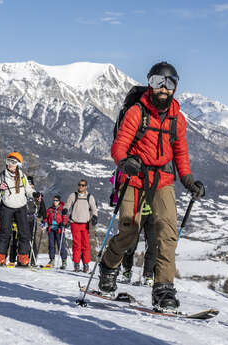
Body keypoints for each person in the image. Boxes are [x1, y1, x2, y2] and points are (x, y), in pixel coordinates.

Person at [99, 61, 204, 312]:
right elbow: (119, 145)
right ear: (150, 83)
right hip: (134, 178)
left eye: (170, 83)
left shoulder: (177, 119)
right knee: (130, 230)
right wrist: (124, 163)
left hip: (163, 180)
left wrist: (188, 179)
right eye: (158, 82)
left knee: (166, 233)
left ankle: (163, 288)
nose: (163, 89)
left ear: (175, 87)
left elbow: (180, 152)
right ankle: (108, 267)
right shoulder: (137, 112)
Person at [0, 152, 37, 267]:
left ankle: (22, 256)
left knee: (24, 232)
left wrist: (35, 194)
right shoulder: (1, 177)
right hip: (7, 207)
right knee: (5, 232)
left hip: (21, 207)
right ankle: (1, 256)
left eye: (13, 162)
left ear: (18, 165)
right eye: (8, 161)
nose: (10, 165)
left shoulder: (22, 176)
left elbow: (28, 191)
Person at [64, 179, 98, 273]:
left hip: (85, 224)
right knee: (76, 245)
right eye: (79, 185)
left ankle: (86, 264)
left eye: (83, 185)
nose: (81, 187)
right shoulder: (73, 195)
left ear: (86, 186)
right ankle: (76, 263)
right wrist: (65, 210)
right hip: (74, 223)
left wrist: (95, 216)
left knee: (86, 245)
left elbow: (94, 208)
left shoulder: (89, 197)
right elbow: (67, 205)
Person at [120, 215, 156, 286]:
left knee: (153, 245)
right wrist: (114, 203)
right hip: (137, 212)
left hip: (154, 212)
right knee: (131, 243)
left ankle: (148, 275)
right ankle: (127, 271)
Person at [43, 195, 69, 269]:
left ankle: (64, 261)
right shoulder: (50, 209)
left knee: (61, 245)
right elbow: (46, 217)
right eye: (54, 200)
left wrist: (63, 223)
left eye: (56, 200)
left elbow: (65, 218)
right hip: (51, 229)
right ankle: (52, 260)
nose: (55, 202)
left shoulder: (62, 209)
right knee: (51, 245)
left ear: (59, 201)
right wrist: (44, 221)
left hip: (59, 229)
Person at [26, 176, 46, 266]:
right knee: (22, 239)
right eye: (28, 184)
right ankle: (22, 258)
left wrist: (43, 219)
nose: (30, 186)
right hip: (22, 218)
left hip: (32, 219)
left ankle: (32, 259)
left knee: (31, 239)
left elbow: (43, 208)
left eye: (31, 184)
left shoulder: (36, 195)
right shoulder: (23, 193)